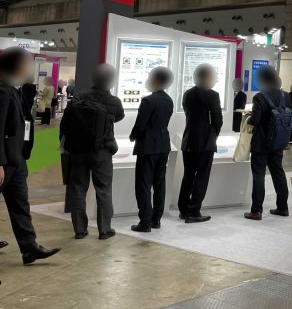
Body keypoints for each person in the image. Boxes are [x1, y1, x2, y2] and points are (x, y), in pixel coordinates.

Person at [0, 47, 61, 265]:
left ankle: (29, 248)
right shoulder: (2, 91)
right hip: (5, 161)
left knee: (20, 204)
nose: (31, 69)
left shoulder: (15, 89)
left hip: (17, 160)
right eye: (27, 64)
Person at [60, 64, 125, 240]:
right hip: (102, 152)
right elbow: (119, 116)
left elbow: (66, 122)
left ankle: (80, 230)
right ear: (111, 80)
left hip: (78, 151)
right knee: (103, 190)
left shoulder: (79, 97)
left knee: (78, 189)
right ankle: (105, 230)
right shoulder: (114, 101)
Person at [129, 66, 174, 233]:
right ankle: (156, 219)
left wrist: (132, 136)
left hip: (147, 146)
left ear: (155, 79)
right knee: (159, 183)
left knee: (143, 185)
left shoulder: (148, 101)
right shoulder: (168, 100)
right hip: (163, 145)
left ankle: (145, 222)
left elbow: (140, 125)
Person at [178, 64, 223, 223]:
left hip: (188, 140)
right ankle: (194, 211)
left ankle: (183, 209)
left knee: (188, 175)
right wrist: (214, 134)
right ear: (207, 77)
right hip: (205, 141)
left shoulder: (188, 94)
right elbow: (217, 120)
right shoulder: (212, 95)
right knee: (202, 177)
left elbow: (188, 113)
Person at [244, 65, 289, 220]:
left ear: (262, 79)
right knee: (278, 173)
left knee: (259, 175)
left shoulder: (260, 97)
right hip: (278, 141)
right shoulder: (285, 96)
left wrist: (249, 117)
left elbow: (255, 120)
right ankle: (283, 207)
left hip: (261, 143)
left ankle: (256, 210)